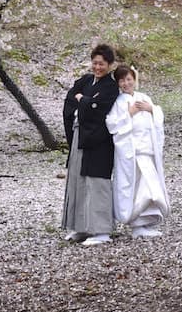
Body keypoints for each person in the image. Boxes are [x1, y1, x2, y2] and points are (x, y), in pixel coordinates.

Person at [61, 43, 120, 246]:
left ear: (110, 65)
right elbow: (71, 98)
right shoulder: (86, 80)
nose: (97, 67)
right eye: (95, 63)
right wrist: (86, 101)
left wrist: (84, 101)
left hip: (99, 140)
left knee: (97, 183)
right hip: (80, 136)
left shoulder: (111, 87)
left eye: (102, 64)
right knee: (77, 181)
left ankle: (102, 230)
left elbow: (98, 109)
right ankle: (81, 227)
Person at [105, 64, 169, 239]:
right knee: (135, 188)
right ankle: (136, 225)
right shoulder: (118, 102)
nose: (126, 83)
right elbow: (112, 124)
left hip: (147, 150)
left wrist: (152, 110)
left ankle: (145, 222)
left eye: (128, 79)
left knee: (150, 187)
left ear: (134, 79)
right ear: (118, 83)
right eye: (122, 81)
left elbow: (157, 116)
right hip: (131, 153)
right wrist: (129, 114)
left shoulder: (144, 97)